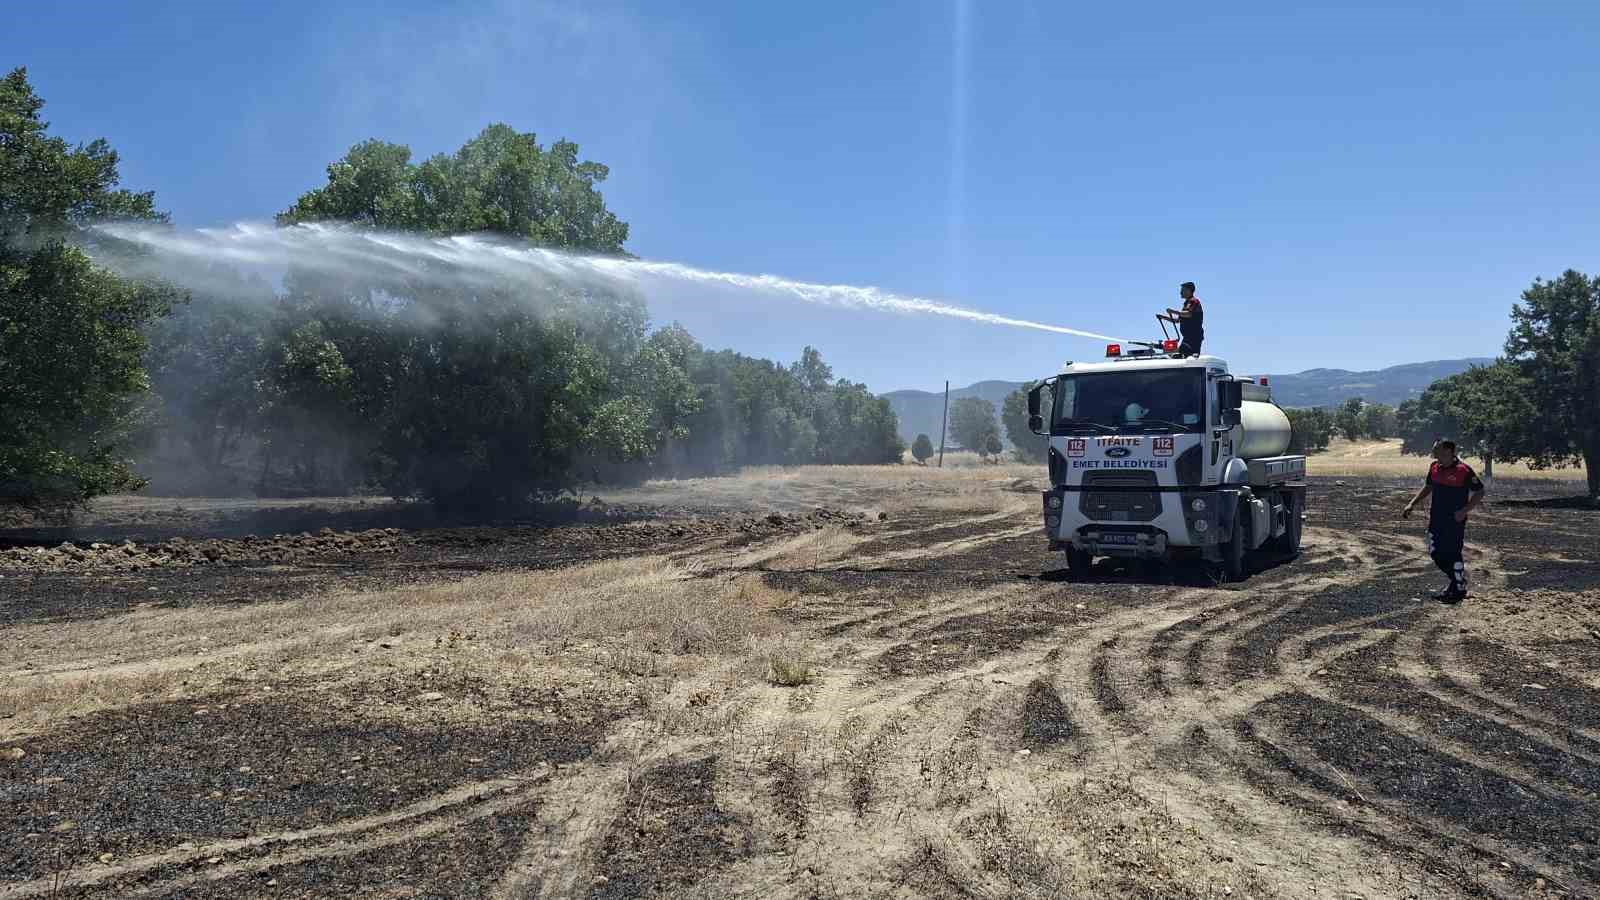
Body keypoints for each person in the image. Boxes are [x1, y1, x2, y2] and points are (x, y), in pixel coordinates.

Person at [1401, 439, 1486, 603]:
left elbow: (1479, 492)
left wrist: (1464, 511)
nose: (1433, 453)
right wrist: (1412, 504)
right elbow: (1428, 486)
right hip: (1436, 518)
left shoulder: (1464, 470)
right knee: (1436, 553)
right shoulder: (1434, 467)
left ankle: (1457, 589)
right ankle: (1457, 583)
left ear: (1448, 451)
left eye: (1436, 450)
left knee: (1453, 553)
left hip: (1454, 520)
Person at [1165, 282, 1204, 357]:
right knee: (1180, 354)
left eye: (1182, 290)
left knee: (1187, 356)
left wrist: (1173, 311)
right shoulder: (1186, 304)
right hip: (1187, 338)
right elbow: (1177, 320)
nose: (1180, 292)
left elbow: (1189, 314)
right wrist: (1163, 317)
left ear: (1188, 291)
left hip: (1194, 337)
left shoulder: (1194, 301)